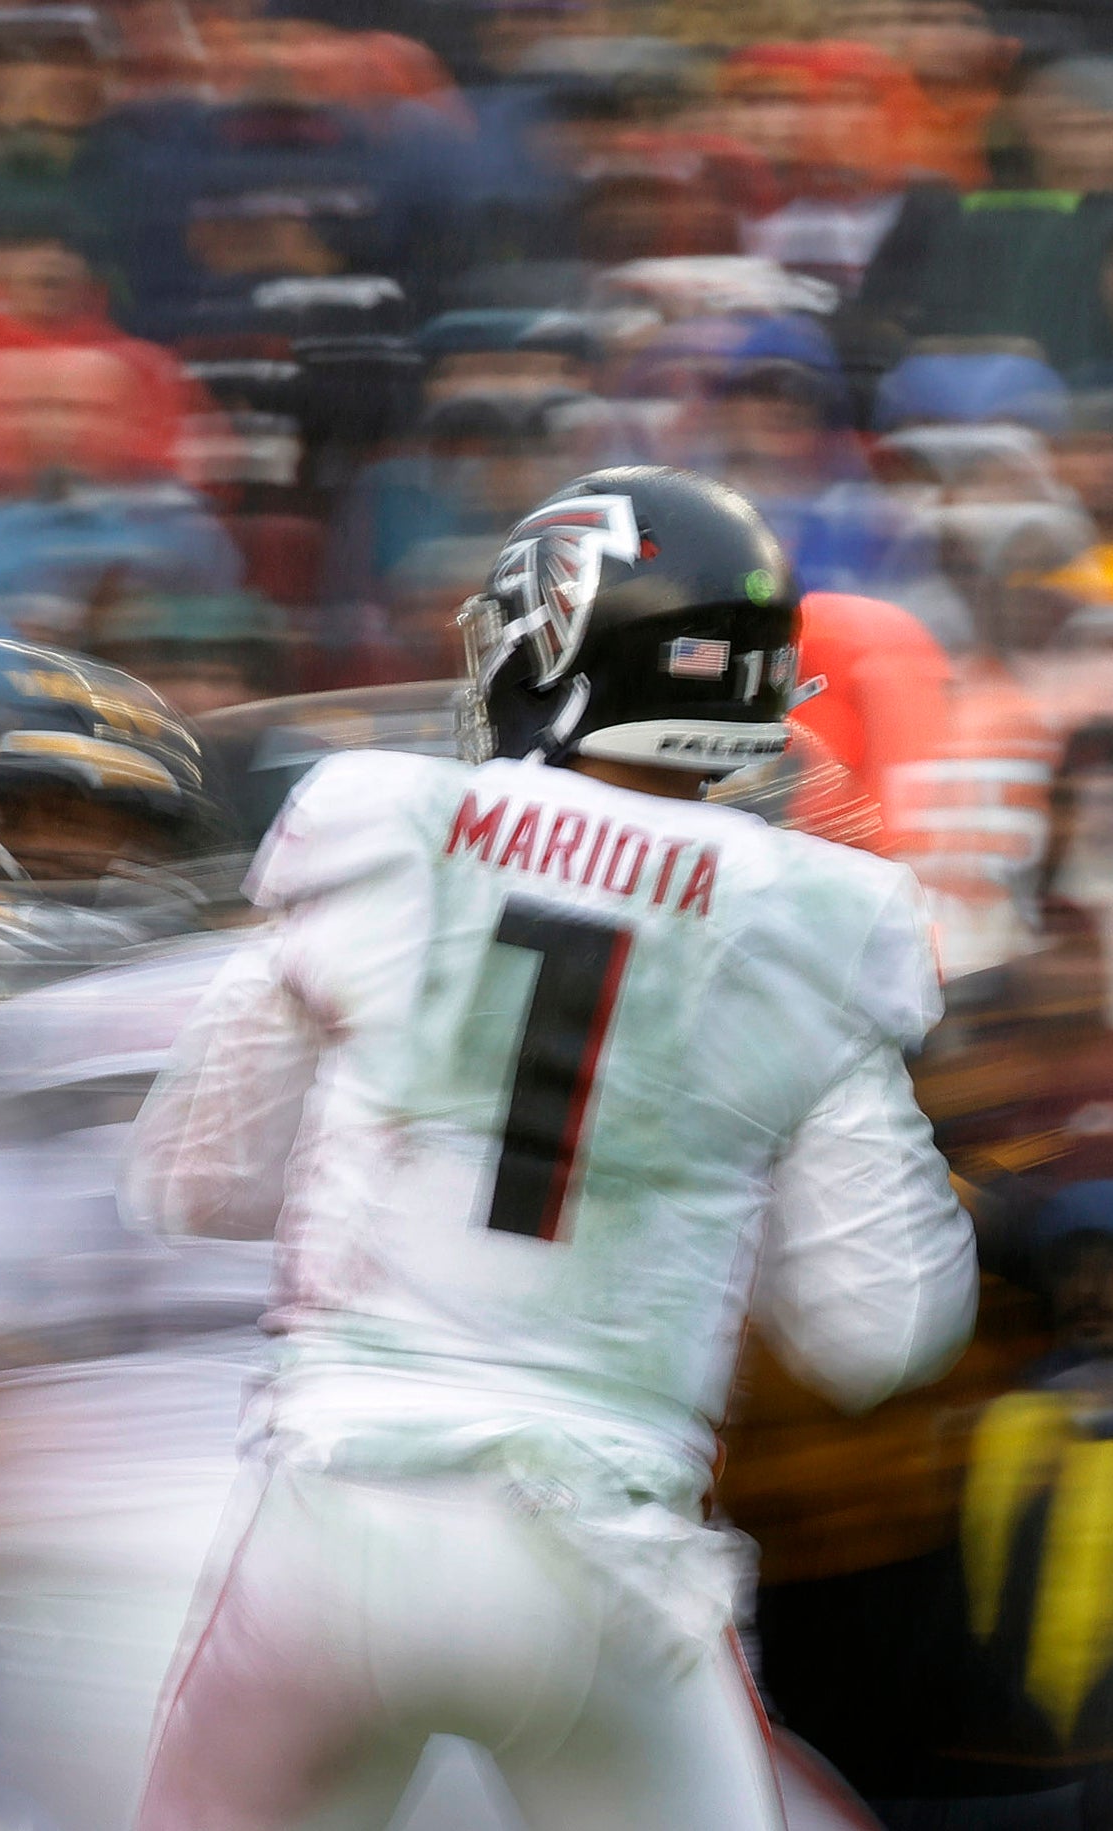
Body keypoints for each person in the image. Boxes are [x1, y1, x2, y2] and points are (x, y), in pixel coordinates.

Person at [124, 466, 980, 1830]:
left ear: (557, 639)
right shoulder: (824, 916)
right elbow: (878, 1332)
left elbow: (192, 1182)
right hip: (604, 1550)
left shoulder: (382, 820)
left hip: (333, 1518)